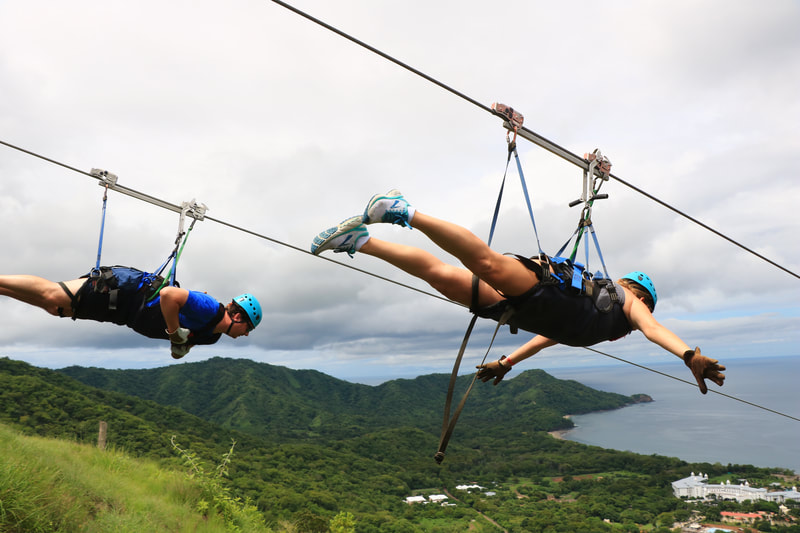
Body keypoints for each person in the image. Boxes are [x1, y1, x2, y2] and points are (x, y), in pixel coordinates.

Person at [311, 189, 726, 394]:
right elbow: (652, 329)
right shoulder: (628, 303)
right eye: (644, 308)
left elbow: (548, 340)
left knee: (439, 277)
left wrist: (507, 362)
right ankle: (403, 211)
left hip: (520, 311)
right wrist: (688, 355)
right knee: (485, 263)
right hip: (543, 292)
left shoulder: (599, 326)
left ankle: (360, 242)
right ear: (640, 295)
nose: (638, 323)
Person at [0, 266, 262, 359]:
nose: (246, 334)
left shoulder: (211, 336)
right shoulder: (209, 308)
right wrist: (174, 332)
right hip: (124, 292)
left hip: (122, 312)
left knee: (55, 307)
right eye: (248, 328)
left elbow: (179, 347)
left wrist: (180, 346)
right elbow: (168, 295)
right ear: (238, 317)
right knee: (52, 294)